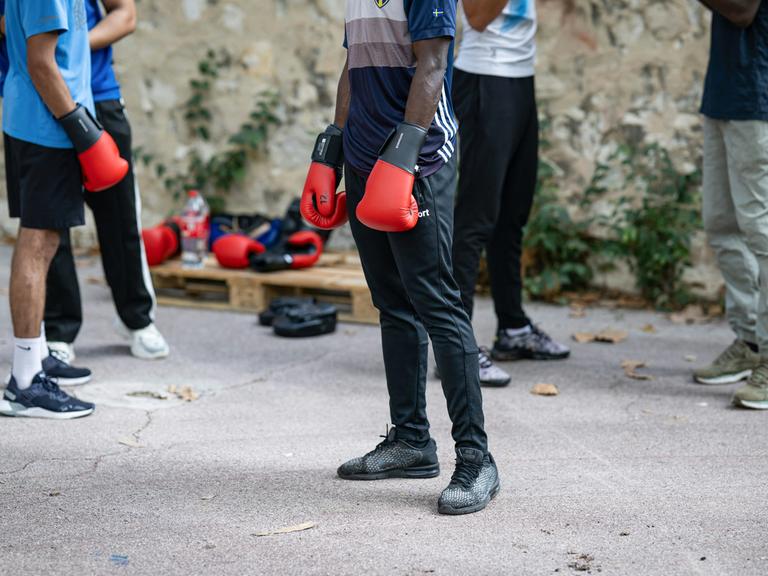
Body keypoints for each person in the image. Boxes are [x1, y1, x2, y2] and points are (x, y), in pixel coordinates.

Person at [300, 0, 499, 515]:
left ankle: (477, 460)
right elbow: (353, 68)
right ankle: (411, 441)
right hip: (366, 161)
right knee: (392, 302)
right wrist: (332, 147)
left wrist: (404, 157)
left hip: (416, 164)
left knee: (437, 304)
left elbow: (432, 64)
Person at [0, 0, 128, 418]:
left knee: (43, 241)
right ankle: (24, 382)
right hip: (47, 127)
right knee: (38, 242)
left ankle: (35, 356)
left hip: (37, 120)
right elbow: (41, 61)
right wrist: (80, 126)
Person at [450, 0, 570, 388]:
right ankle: (457, 347)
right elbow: (478, 17)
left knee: (512, 214)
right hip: (485, 76)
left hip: (520, 77)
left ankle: (513, 329)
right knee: (475, 218)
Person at [43, 0, 170, 365]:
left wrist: (70, 48)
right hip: (39, 100)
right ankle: (57, 332)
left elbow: (125, 15)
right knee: (47, 222)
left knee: (120, 215)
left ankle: (137, 319)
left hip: (99, 96)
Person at [693, 0, 768, 410]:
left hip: (756, 96)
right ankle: (751, 340)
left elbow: (742, 9)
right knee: (722, 223)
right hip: (723, 93)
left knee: (762, 230)